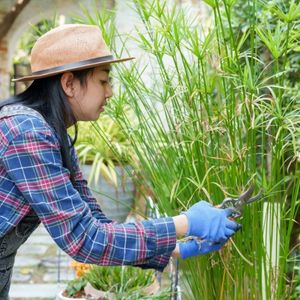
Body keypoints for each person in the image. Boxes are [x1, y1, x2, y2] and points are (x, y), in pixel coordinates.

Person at [0, 24, 240, 298]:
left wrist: (178, 246)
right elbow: (85, 239)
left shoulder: (55, 135)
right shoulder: (26, 131)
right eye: (103, 81)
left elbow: (98, 225)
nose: (110, 92)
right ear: (68, 83)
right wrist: (185, 222)